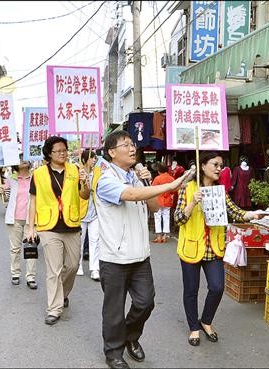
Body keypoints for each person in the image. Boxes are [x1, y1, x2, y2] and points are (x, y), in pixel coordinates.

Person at [94, 131, 190, 369]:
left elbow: (155, 207)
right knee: (114, 311)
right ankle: (113, 352)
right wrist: (170, 184)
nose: (131, 147)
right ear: (111, 152)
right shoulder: (105, 179)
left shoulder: (137, 177)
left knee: (146, 302)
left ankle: (130, 337)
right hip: (114, 258)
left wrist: (147, 181)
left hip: (140, 256)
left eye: (132, 143)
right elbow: (131, 195)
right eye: (125, 144)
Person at [174, 151, 260, 347]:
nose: (219, 168)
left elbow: (235, 211)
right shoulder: (187, 189)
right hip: (191, 248)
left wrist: (253, 215)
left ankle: (206, 320)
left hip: (214, 249)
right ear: (202, 166)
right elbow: (178, 219)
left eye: (221, 165)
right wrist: (192, 203)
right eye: (215, 164)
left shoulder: (220, 191)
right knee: (191, 290)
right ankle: (194, 327)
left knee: (217, 287)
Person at [25, 136, 89, 326]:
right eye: (58, 151)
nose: (63, 153)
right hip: (48, 227)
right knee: (54, 269)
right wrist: (31, 227)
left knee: (72, 266)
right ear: (49, 154)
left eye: (65, 150)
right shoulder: (38, 174)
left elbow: (84, 195)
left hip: (71, 224)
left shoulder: (76, 170)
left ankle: (63, 294)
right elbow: (33, 200)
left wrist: (85, 182)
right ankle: (54, 308)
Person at [0, 158, 37, 289]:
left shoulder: (35, 178)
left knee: (31, 248)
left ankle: (31, 277)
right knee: (15, 248)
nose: (23, 160)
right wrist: (2, 191)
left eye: (25, 158)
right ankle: (15, 274)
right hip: (14, 219)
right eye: (20, 159)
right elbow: (6, 197)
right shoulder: (11, 179)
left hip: (31, 219)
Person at [77, 149, 100, 281]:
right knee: (79, 242)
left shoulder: (98, 172)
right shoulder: (77, 171)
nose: (94, 160)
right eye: (92, 158)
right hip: (80, 213)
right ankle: (78, 265)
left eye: (95, 158)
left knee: (95, 241)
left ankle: (95, 269)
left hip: (95, 211)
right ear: (84, 160)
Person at [150, 162, 174, 243]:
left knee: (157, 217)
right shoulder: (171, 178)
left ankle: (158, 236)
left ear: (159, 170)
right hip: (167, 200)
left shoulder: (157, 178)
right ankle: (165, 236)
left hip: (158, 200)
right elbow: (174, 190)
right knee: (166, 217)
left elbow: (152, 189)